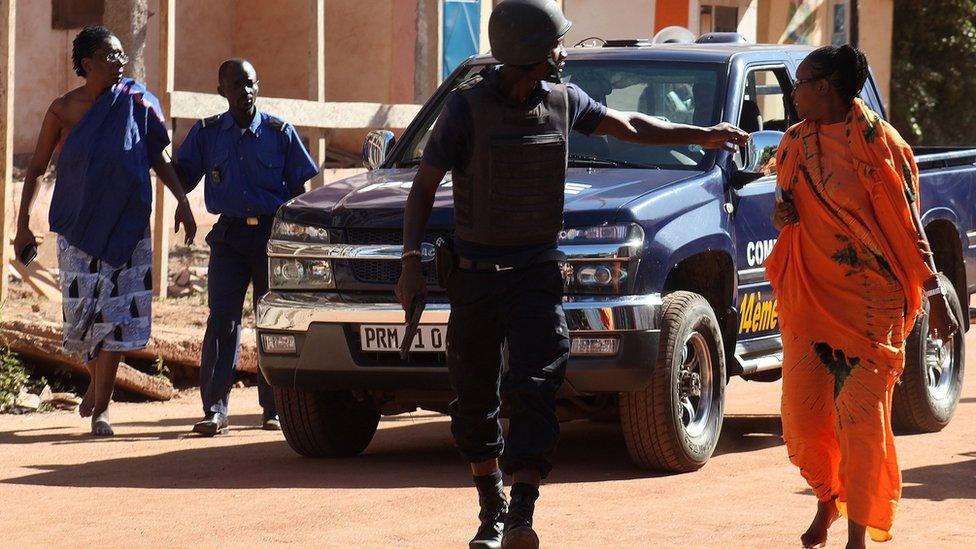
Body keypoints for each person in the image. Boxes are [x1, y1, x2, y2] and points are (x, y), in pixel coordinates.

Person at [394, 1, 748, 547]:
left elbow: (628, 124)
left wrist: (700, 135)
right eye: (555, 45)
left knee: (537, 390)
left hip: (535, 273)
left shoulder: (562, 99)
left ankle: (522, 517)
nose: (564, 54)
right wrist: (410, 265)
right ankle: (491, 508)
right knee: (473, 398)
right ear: (528, 50)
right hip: (476, 278)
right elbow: (422, 188)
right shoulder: (466, 110)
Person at [764, 44, 958, 549]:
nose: (794, 91)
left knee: (859, 420)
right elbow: (783, 208)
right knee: (804, 425)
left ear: (824, 88)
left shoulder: (880, 144)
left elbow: (907, 221)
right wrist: (781, 218)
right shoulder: (791, 143)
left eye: (801, 82)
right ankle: (830, 498)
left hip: (873, 304)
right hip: (811, 298)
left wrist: (935, 291)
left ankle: (856, 535)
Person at [12, 26, 196, 436]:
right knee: (83, 316)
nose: (121, 63)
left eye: (122, 57)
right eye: (111, 56)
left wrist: (182, 199)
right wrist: (23, 223)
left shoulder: (136, 102)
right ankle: (96, 383)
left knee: (114, 317)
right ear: (88, 62)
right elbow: (37, 168)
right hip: (78, 228)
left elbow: (159, 158)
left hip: (127, 227)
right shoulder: (62, 110)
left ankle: (102, 407)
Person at [174, 58, 319, 436]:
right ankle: (215, 411)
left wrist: (297, 243)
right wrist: (182, 202)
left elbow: (300, 195)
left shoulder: (279, 132)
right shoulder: (207, 135)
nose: (246, 91)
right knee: (222, 320)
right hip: (229, 238)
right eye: (237, 85)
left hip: (272, 239)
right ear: (222, 91)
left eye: (251, 83)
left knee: (271, 321)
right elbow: (180, 176)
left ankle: (273, 407)